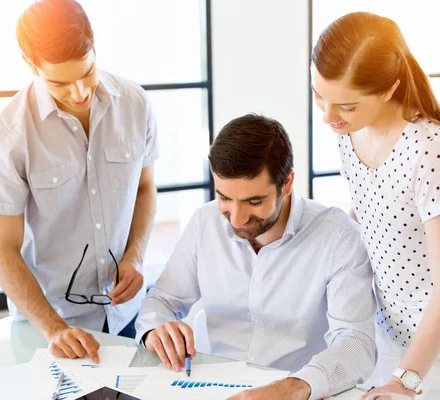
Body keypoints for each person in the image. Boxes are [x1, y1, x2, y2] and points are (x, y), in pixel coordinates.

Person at [310, 11, 440, 400]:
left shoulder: (430, 148)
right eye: (319, 96)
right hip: (391, 332)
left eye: (346, 105)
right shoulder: (349, 133)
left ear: (387, 89)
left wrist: (406, 379)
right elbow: (371, 212)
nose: (328, 116)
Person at [135, 114, 377, 400]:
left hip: (296, 391)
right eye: (225, 198)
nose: (236, 219)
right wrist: (155, 330)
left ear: (286, 183)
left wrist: (295, 388)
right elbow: (162, 300)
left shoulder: (339, 237)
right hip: (208, 388)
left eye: (253, 201)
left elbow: (357, 343)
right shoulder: (205, 221)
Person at [0, 0, 158, 362]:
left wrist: (136, 256)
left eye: (87, 72)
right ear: (32, 66)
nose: (79, 93)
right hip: (51, 324)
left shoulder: (136, 103)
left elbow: (144, 188)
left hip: (127, 312)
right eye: (60, 82)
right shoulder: (9, 134)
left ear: (94, 47)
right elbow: (2, 250)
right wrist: (53, 328)